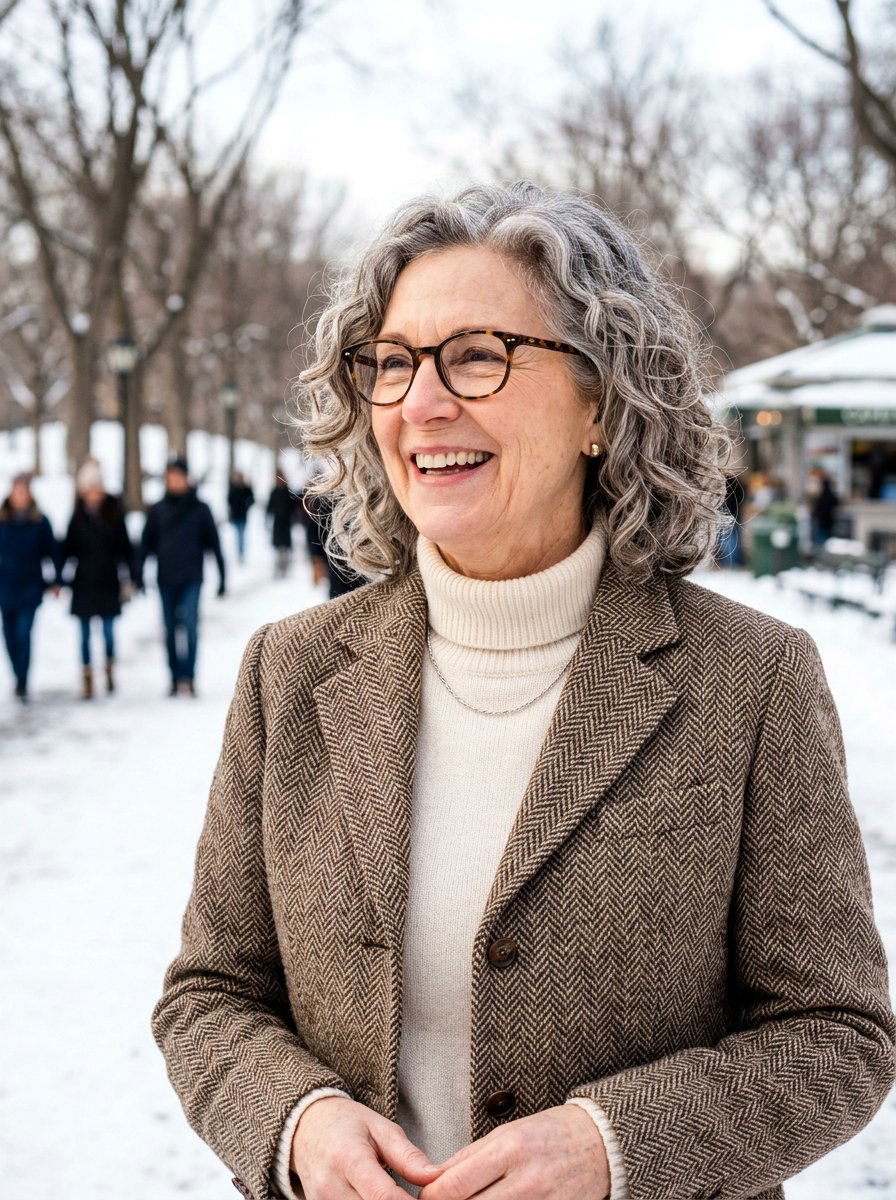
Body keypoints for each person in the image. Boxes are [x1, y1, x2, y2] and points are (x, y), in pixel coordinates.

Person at [151, 184, 895, 1200]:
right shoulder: (290, 672)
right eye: (393, 362)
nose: (419, 403)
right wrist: (294, 1120)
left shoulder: (750, 679)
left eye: (474, 355)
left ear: (601, 400)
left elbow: (837, 1037)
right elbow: (209, 996)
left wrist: (616, 1146)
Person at [138, 457, 225, 697]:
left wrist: (222, 576)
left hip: (192, 578)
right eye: (170, 477)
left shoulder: (200, 509)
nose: (174, 481)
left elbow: (214, 545)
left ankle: (190, 676)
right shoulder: (157, 510)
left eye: (178, 476)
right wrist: (138, 575)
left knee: (190, 628)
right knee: (168, 630)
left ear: (187, 478)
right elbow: (145, 544)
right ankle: (175, 677)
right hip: (165, 579)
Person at [61, 459, 136, 699]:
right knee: (83, 635)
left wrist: (133, 577)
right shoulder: (77, 517)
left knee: (108, 631)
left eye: (97, 488)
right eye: (88, 489)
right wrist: (59, 577)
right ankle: (87, 676)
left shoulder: (114, 514)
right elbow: (67, 549)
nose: (93, 494)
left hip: (107, 581)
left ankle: (109, 667)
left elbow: (126, 548)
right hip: (83, 583)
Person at [0, 472, 63, 702]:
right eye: (16, 490)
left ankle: (22, 681)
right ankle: (17, 674)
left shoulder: (39, 521)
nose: (20, 495)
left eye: (24, 491)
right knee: (8, 636)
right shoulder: (2, 520)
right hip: (5, 589)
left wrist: (57, 580)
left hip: (30, 589)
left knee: (23, 634)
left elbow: (53, 551)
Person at [302, 490, 366, 598]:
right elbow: (314, 531)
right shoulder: (327, 502)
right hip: (340, 561)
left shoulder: (359, 497)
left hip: (356, 561)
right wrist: (317, 559)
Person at [266, 473, 298, 579]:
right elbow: (270, 505)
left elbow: (294, 505)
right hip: (277, 522)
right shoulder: (274, 491)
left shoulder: (288, 492)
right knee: (278, 547)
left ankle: (285, 568)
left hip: (286, 522)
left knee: (285, 547)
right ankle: (278, 569)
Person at [716, 471, 746, 567]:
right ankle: (732, 562)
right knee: (733, 539)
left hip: (726, 514)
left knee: (726, 539)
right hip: (735, 514)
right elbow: (741, 497)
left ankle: (728, 562)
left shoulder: (723, 484)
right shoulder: (737, 484)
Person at [808, 466, 840, 549]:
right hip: (823, 518)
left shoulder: (823, 487)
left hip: (822, 518)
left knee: (820, 540)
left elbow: (830, 501)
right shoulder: (823, 487)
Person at [227, 470, 255, 564]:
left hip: (243, 516)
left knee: (241, 535)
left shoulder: (246, 489)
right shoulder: (233, 488)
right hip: (236, 516)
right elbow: (229, 501)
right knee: (238, 535)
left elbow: (252, 500)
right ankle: (239, 552)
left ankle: (241, 553)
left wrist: (246, 505)